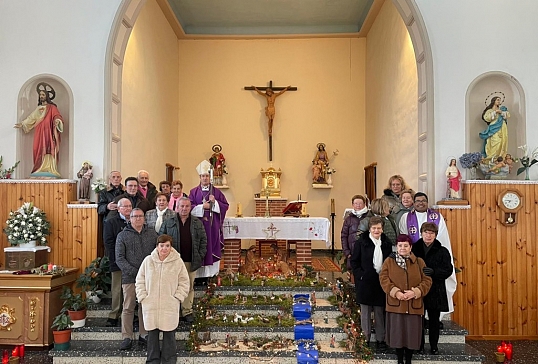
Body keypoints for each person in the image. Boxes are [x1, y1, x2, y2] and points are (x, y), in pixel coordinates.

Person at [398, 192, 457, 324]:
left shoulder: (436, 217)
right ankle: (419, 319)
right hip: (415, 259)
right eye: (418, 201)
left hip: (435, 260)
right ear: (413, 202)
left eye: (423, 200)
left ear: (427, 202)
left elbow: (442, 236)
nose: (421, 203)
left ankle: (436, 319)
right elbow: (404, 237)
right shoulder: (406, 217)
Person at [136, 234, 190, 364]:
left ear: (171, 247)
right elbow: (140, 280)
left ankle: (169, 360)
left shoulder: (177, 262)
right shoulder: (148, 261)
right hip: (151, 304)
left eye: (167, 246)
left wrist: (177, 297)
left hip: (169, 304)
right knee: (152, 334)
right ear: (157, 246)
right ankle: (152, 360)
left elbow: (184, 281)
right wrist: (143, 297)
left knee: (169, 334)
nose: (164, 248)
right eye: (162, 246)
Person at [380, 234, 432, 364]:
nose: (403, 248)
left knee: (411, 334)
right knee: (398, 333)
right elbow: (383, 279)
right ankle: (399, 360)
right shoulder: (389, 261)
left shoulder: (419, 262)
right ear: (396, 247)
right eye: (400, 245)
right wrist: (395, 292)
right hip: (396, 304)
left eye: (405, 245)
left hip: (414, 304)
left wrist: (415, 292)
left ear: (410, 247)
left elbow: (427, 280)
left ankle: (408, 360)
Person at [159, 197, 207, 323]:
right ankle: (173, 310)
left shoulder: (197, 222)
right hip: (172, 262)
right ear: (177, 207)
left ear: (190, 207)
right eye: (182, 206)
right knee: (172, 287)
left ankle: (187, 311)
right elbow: (160, 239)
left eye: (187, 206)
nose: (184, 208)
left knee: (188, 286)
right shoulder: (168, 222)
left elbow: (203, 240)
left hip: (191, 261)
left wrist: (200, 255)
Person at [115, 208, 158, 350]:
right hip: (130, 278)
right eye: (135, 216)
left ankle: (143, 334)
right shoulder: (122, 235)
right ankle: (126, 336)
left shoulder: (152, 234)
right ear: (130, 218)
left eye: (140, 216)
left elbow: (157, 254)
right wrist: (136, 272)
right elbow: (119, 259)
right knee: (128, 307)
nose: (138, 219)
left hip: (148, 277)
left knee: (144, 306)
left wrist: (147, 272)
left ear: (144, 218)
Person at [350, 216, 392, 351]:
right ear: (369, 229)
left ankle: (381, 339)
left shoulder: (386, 243)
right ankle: (365, 339)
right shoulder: (361, 243)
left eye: (379, 228)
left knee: (380, 312)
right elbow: (354, 262)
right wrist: (361, 275)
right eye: (374, 228)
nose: (376, 230)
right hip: (365, 282)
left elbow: (390, 262)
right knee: (366, 312)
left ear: (382, 229)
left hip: (381, 282)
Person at [411, 223, 454, 355]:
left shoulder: (442, 251)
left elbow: (448, 270)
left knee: (434, 320)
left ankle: (434, 346)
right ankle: (419, 345)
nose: (428, 236)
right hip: (419, 289)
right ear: (421, 233)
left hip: (435, 290)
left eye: (431, 233)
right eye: (426, 232)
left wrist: (435, 272)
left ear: (435, 235)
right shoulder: (414, 249)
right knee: (419, 320)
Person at [14, 82, 64, 178]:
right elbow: (31, 118)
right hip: (39, 132)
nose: (41, 96)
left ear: (47, 96)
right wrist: (22, 124)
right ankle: (39, 169)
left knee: (49, 149)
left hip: (49, 132)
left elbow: (57, 116)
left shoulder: (52, 107)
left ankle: (49, 169)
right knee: (37, 148)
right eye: (40, 95)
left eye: (43, 94)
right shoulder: (39, 108)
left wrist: (57, 121)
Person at [189, 160, 229, 280]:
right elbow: (188, 207)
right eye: (202, 176)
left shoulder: (216, 192)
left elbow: (225, 206)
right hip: (198, 227)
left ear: (209, 177)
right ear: (199, 177)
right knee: (199, 247)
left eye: (206, 176)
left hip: (212, 226)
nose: (205, 178)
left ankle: (211, 274)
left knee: (212, 246)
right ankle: (199, 276)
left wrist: (214, 203)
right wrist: (203, 207)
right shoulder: (193, 192)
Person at [103, 198, 131, 327]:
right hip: (117, 260)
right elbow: (109, 243)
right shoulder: (111, 222)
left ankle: (132, 313)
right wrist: (117, 258)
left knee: (131, 289)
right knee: (117, 289)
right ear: (118, 208)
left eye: (129, 206)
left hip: (132, 262)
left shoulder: (135, 221)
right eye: (124, 206)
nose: (128, 209)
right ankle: (114, 314)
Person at [341, 195, 369, 275]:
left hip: (366, 250)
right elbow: (344, 235)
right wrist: (347, 252)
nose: (358, 205)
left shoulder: (369, 217)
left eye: (360, 203)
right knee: (353, 273)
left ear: (364, 204)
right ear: (352, 205)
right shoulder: (348, 219)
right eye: (356, 203)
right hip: (352, 251)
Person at [479, 95, 510, 160]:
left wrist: (501, 112)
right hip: (494, 128)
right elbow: (486, 118)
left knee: (502, 141)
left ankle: (500, 158)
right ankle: (491, 158)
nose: (499, 101)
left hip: (502, 127)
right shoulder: (490, 110)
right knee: (495, 141)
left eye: (500, 100)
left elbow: (507, 115)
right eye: (498, 100)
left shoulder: (502, 109)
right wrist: (495, 112)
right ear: (494, 101)